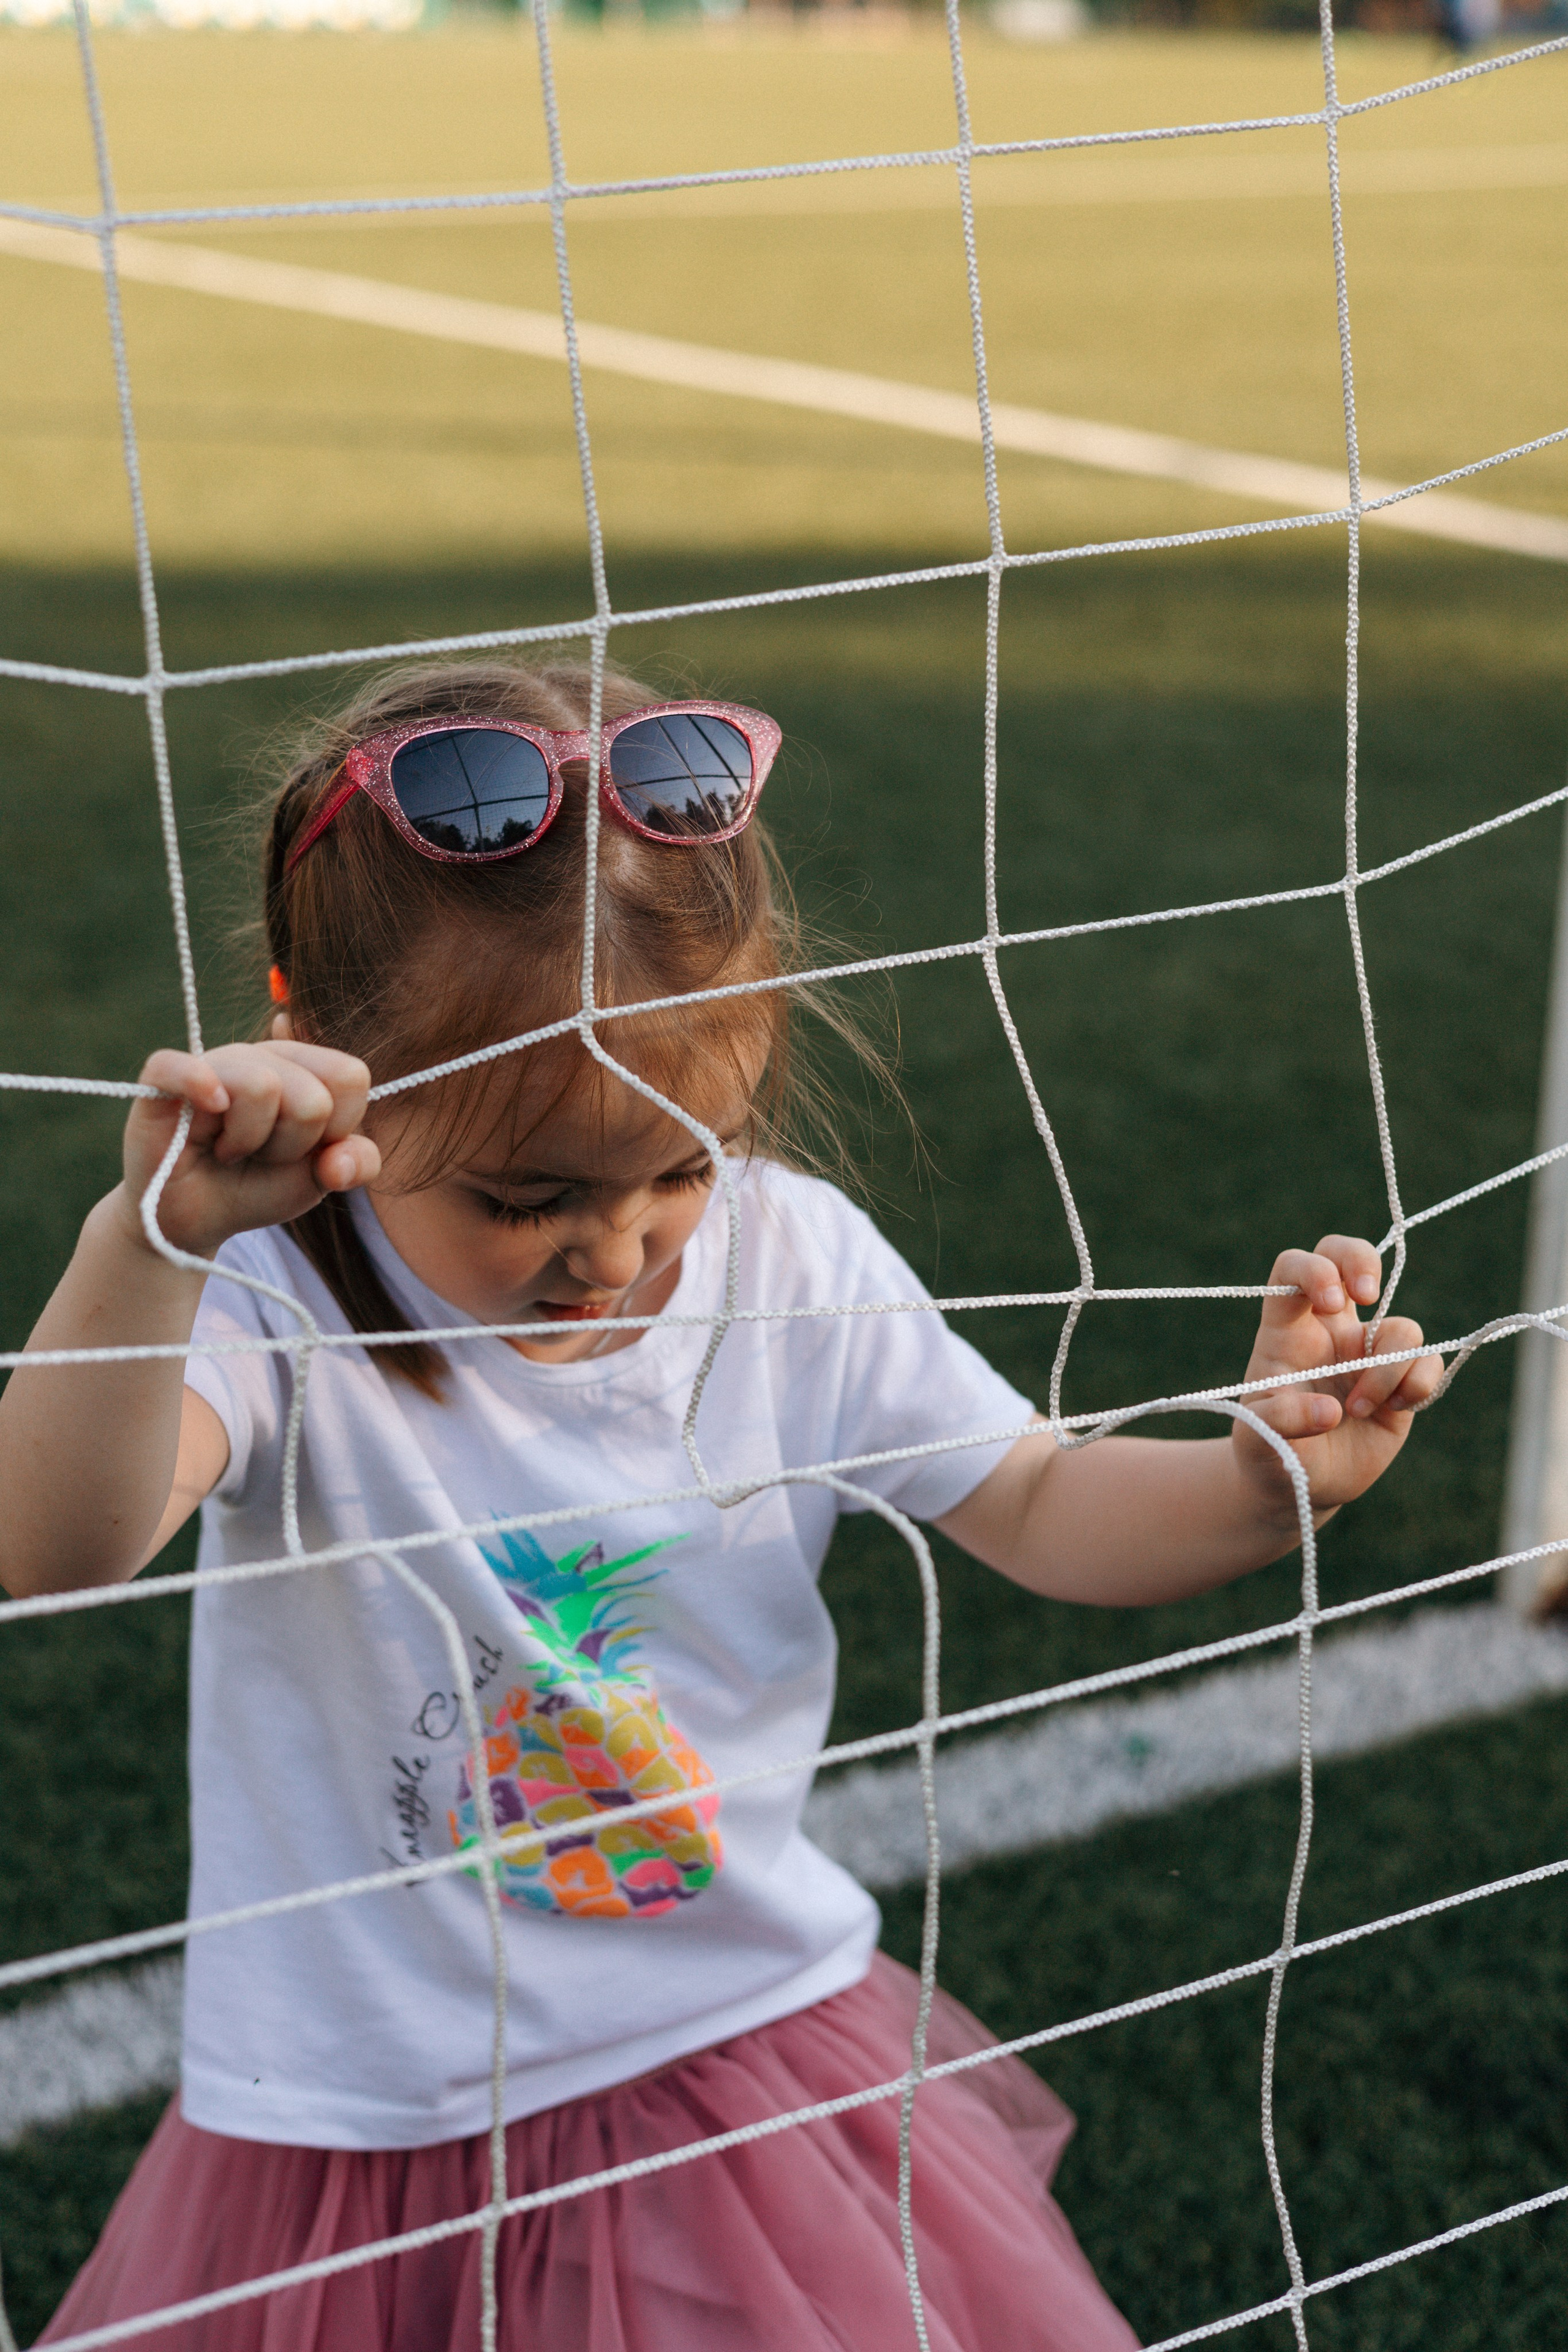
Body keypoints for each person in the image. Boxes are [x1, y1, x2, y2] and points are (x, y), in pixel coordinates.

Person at [2, 657, 1441, 2352]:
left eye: (684, 1165)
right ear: (327, 1062)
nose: (615, 1250)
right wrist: (150, 1246)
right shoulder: (270, 1296)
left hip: (737, 2052)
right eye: (527, 1196)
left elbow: (1042, 1500)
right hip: (368, 2115)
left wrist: (1261, 1481)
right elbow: (49, 1547)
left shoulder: (790, 1259)